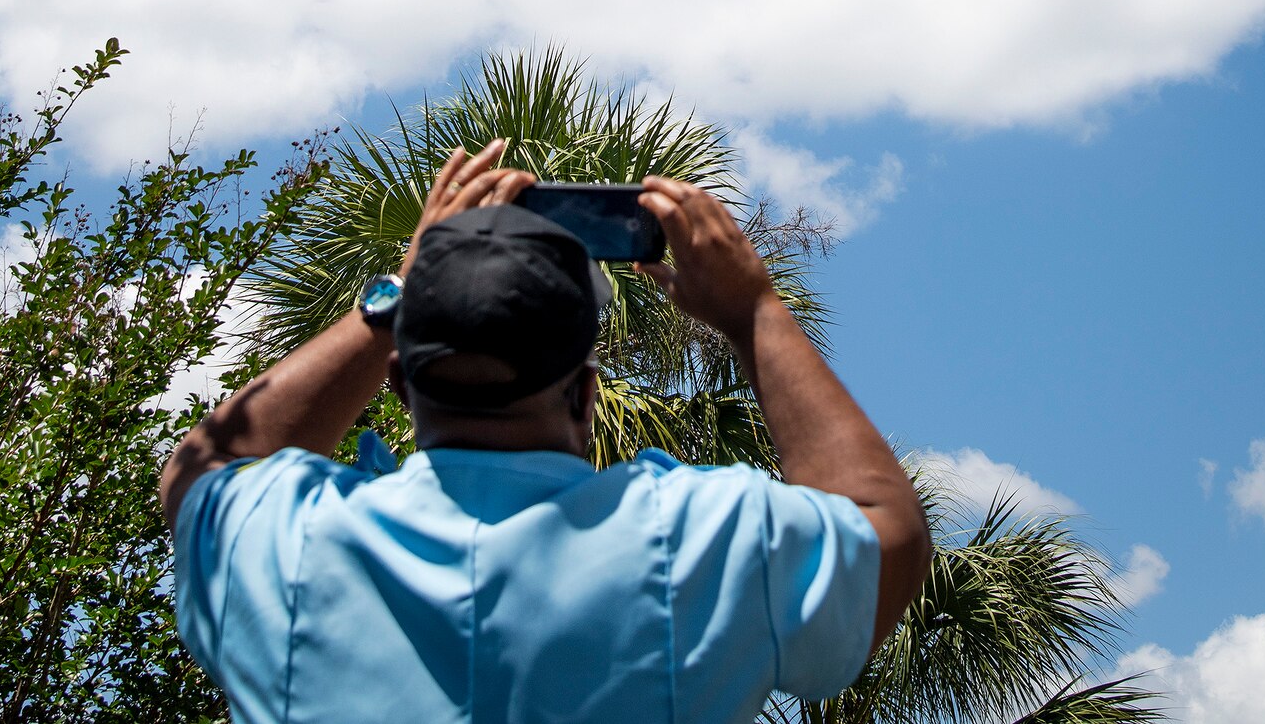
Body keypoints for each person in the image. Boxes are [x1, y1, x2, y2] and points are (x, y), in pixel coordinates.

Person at [160, 139, 931, 724]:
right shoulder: (701, 541)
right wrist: (754, 311)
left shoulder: (289, 544)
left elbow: (212, 464)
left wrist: (399, 295)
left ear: (398, 377)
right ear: (585, 397)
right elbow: (885, 530)